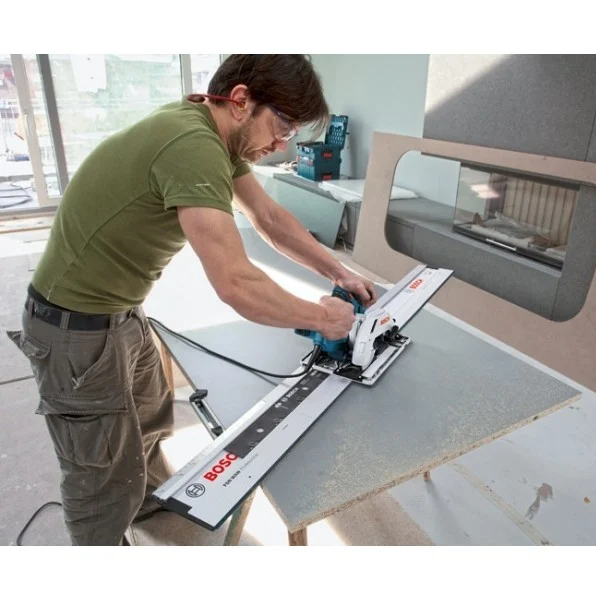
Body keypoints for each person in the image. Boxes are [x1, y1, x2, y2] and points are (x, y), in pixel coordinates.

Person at [7, 54, 376, 546]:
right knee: (100, 481)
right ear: (241, 101)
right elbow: (236, 283)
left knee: (147, 422)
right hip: (75, 329)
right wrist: (322, 317)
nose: (282, 145)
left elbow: (268, 219)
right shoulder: (192, 146)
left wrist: (338, 271)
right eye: (283, 126)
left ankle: (144, 504)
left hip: (121, 311)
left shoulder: (210, 129)